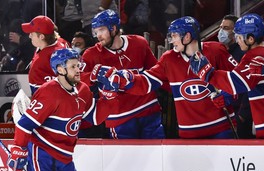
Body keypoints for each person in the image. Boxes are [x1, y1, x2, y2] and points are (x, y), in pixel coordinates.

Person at [7, 48, 118, 171]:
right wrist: (18, 149)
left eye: (78, 65)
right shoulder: (48, 92)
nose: (78, 69)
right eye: (73, 66)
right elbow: (25, 124)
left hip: (65, 157)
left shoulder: (83, 90)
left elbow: (95, 117)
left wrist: (109, 96)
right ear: (60, 69)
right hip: (43, 154)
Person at [94, 16, 239, 139]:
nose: (171, 41)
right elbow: (146, 82)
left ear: (187, 36)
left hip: (221, 128)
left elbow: (239, 79)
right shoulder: (169, 59)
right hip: (189, 133)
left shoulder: (216, 50)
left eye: (174, 36)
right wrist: (126, 80)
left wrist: (229, 94)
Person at [189, 13, 264, 138]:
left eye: (239, 37)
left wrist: (208, 73)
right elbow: (244, 80)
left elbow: (234, 83)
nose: (237, 40)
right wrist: (226, 95)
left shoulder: (253, 58)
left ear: (250, 39)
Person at [81, 9, 165, 139]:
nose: (98, 35)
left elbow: (156, 72)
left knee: (156, 157)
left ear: (113, 28)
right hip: (119, 117)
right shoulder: (91, 55)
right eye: (95, 32)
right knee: (127, 159)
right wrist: (92, 75)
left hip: (148, 110)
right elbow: (77, 80)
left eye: (101, 30)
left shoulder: (139, 43)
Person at [218, 14, 254, 139]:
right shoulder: (219, 52)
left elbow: (250, 85)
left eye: (226, 28)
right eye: (221, 27)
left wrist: (243, 114)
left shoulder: (244, 54)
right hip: (224, 112)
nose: (221, 31)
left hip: (239, 112)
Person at [21, 15, 69, 95]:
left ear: (41, 37)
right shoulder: (62, 41)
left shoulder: (40, 62)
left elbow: (39, 94)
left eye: (32, 34)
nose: (29, 36)